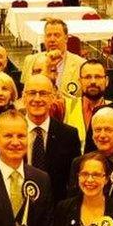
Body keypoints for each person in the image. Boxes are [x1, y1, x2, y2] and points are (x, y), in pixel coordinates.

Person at [24, 74, 81, 203]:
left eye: (43, 93)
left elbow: (73, 181)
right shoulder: (13, 132)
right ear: (23, 97)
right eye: (32, 93)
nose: (37, 99)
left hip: (56, 210)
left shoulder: (68, 135)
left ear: (52, 98)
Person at [21, 18, 86, 96]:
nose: (52, 39)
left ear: (66, 38)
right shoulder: (30, 61)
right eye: (48, 35)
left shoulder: (81, 65)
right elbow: (24, 94)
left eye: (57, 35)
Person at [63, 59, 111, 150]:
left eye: (98, 77)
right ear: (80, 81)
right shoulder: (65, 107)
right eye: (88, 77)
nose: (93, 81)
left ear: (107, 81)